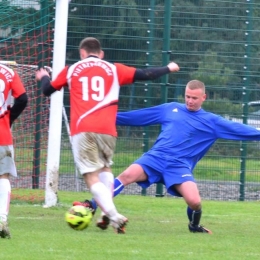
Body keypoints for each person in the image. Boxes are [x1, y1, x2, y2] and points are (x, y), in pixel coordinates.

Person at [76, 79, 260, 234]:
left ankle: (194, 226)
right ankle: (92, 205)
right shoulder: (170, 109)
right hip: (155, 158)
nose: (190, 101)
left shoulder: (212, 122)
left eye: (194, 98)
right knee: (126, 176)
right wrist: (106, 117)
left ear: (204, 97)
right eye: (187, 96)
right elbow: (139, 117)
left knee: (195, 202)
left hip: (179, 166)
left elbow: (240, 130)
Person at [35, 37, 180, 234]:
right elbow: (146, 74)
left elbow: (47, 90)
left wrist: (44, 76)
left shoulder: (72, 69)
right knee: (105, 168)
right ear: (101, 53)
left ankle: (114, 216)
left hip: (83, 128)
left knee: (91, 177)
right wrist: (168, 68)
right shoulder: (113, 68)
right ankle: (105, 212)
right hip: (108, 129)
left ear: (82, 53)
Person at [0, 63, 28, 238]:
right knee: (2, 176)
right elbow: (23, 99)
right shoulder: (9, 72)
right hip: (2, 133)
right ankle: (2, 219)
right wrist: (9, 119)